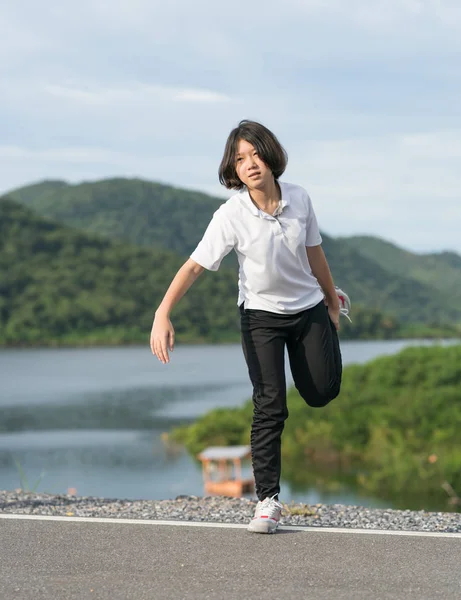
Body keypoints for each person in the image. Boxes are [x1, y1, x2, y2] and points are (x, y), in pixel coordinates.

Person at [150, 120, 351, 534]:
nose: (250, 163)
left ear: (271, 155)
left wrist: (331, 301)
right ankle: (267, 501)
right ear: (233, 169)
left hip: (308, 307)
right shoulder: (231, 215)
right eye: (240, 159)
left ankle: (329, 317)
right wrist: (162, 312)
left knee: (322, 392)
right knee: (270, 403)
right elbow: (193, 267)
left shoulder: (300, 198)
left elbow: (316, 256)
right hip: (260, 316)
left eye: (255, 153)